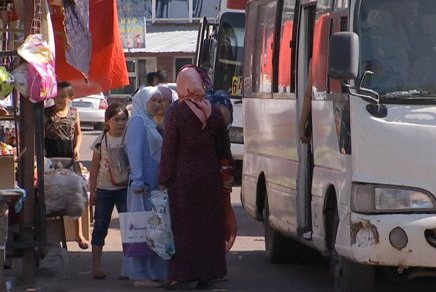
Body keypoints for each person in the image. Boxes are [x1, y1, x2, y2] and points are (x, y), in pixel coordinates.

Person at [159, 67, 231, 290]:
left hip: (184, 178)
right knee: (208, 224)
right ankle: (207, 273)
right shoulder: (214, 112)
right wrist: (226, 176)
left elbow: (169, 148)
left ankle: (183, 272)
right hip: (209, 177)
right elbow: (224, 148)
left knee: (185, 225)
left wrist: (164, 177)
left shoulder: (177, 112)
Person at [123, 86, 168, 288]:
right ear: (142, 102)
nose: (157, 105)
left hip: (153, 187)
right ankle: (139, 275)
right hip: (142, 189)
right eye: (153, 101)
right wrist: (139, 181)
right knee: (141, 231)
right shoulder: (137, 122)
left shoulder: (150, 122)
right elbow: (134, 153)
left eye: (159, 101)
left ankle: (153, 273)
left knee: (154, 231)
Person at [44, 81, 89, 250]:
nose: (59, 99)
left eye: (63, 96)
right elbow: (40, 136)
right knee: (52, 196)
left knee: (74, 196)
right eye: (56, 96)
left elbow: (78, 134)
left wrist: (77, 148)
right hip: (50, 159)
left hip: (69, 158)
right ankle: (50, 237)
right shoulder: (45, 113)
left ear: (71, 98)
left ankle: (78, 234)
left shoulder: (74, 113)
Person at [89, 103, 129, 279]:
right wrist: (93, 191)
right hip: (104, 189)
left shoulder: (129, 138)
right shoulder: (101, 140)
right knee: (100, 227)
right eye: (116, 119)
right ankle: (96, 267)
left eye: (123, 119)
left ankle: (129, 267)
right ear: (107, 122)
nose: (120, 123)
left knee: (129, 227)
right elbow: (94, 167)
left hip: (125, 189)